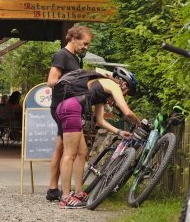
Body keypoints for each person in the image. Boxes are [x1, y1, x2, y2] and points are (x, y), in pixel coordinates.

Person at [53, 66, 141, 209]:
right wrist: (139, 123)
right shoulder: (113, 85)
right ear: (123, 83)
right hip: (71, 109)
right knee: (69, 155)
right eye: (127, 92)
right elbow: (127, 112)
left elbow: (100, 121)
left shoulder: (101, 88)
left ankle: (79, 192)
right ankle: (65, 197)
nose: (124, 95)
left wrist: (119, 132)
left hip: (67, 108)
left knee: (82, 153)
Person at [46, 25, 93, 202]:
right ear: (73, 38)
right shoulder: (62, 55)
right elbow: (51, 81)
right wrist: (70, 84)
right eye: (84, 43)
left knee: (60, 147)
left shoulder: (75, 59)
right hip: (62, 107)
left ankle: (53, 189)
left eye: (88, 45)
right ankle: (58, 190)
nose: (86, 47)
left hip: (70, 107)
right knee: (67, 150)